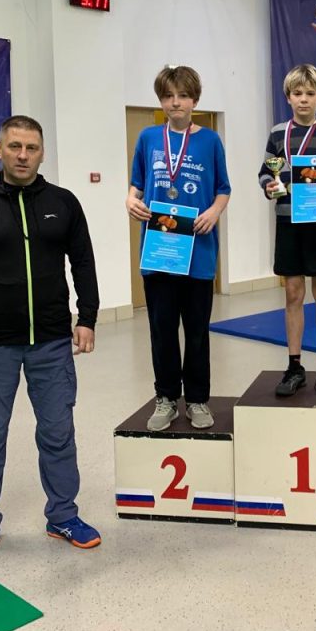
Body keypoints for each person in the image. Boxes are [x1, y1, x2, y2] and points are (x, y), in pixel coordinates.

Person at [0, 115, 101, 567]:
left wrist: (87, 317)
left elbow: (83, 262)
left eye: (31, 147)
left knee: (58, 432)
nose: (23, 155)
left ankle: (63, 516)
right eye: (15, 146)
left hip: (52, 341)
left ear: (42, 152)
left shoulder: (63, 203)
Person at [127, 66, 230, 433]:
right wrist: (130, 200)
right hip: (159, 252)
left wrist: (214, 212)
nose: (176, 102)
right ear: (161, 100)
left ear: (195, 100)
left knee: (197, 332)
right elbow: (137, 184)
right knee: (162, 330)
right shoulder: (148, 138)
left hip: (198, 251)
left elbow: (223, 188)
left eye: (183, 96)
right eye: (169, 96)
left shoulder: (210, 141)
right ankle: (167, 397)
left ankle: (198, 399)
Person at [258, 64, 316, 398]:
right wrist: (268, 185)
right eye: (297, 93)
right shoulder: (277, 134)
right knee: (293, 294)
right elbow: (265, 173)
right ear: (288, 97)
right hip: (288, 222)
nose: (303, 99)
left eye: (310, 93)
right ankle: (294, 365)